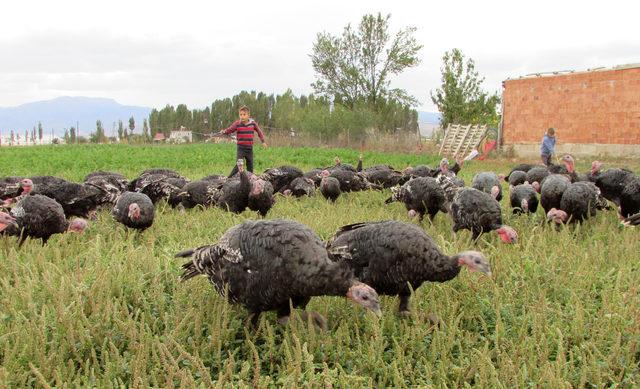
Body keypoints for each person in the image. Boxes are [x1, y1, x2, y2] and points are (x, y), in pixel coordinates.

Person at [217, 106, 268, 176]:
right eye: (240, 115)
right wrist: (224, 131)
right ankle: (229, 178)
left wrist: (263, 141)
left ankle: (250, 180)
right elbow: (230, 130)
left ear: (248, 115)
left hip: (249, 149)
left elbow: (259, 132)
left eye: (244, 114)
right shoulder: (237, 124)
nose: (242, 116)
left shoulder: (253, 123)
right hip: (241, 148)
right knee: (239, 165)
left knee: (250, 166)